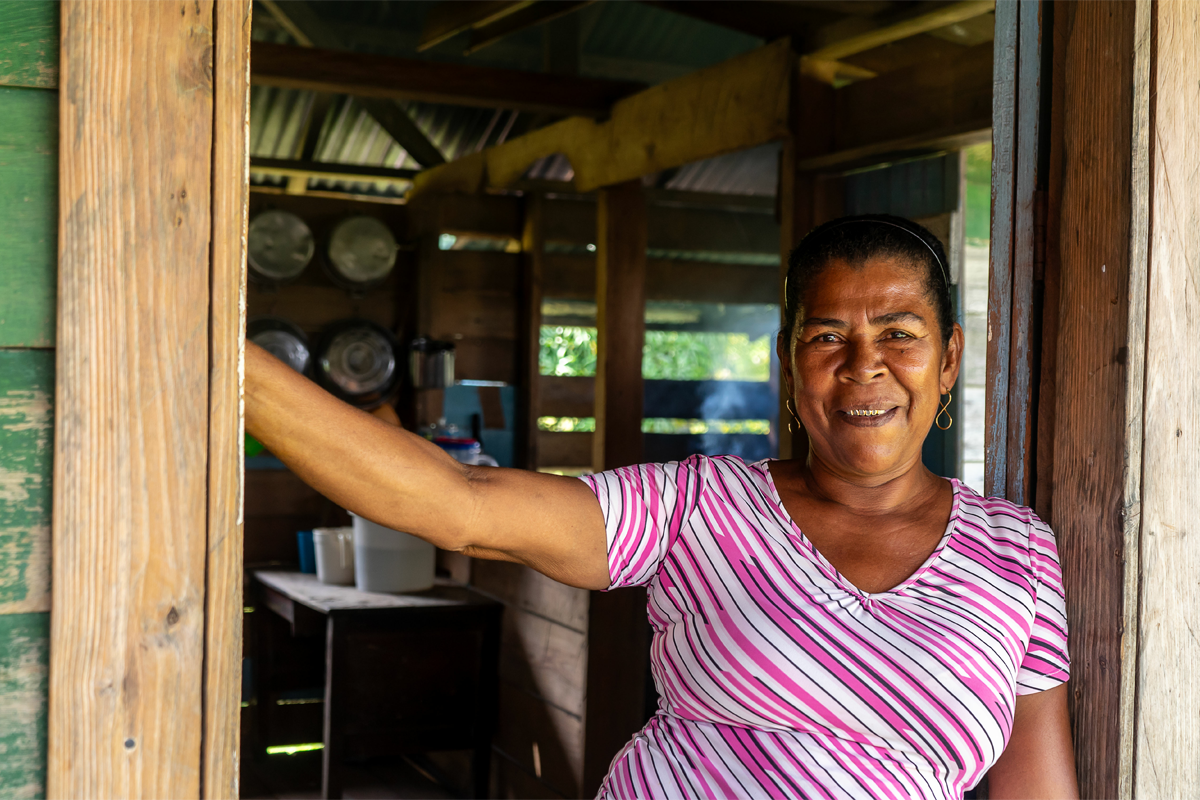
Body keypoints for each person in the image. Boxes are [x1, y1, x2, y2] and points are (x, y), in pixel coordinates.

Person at [245, 214, 1078, 799]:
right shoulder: (701, 506)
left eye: (900, 332)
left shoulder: (1016, 552)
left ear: (949, 358)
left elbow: (1037, 790)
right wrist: (230, 362)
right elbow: (463, 504)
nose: (864, 365)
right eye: (826, 336)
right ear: (789, 363)